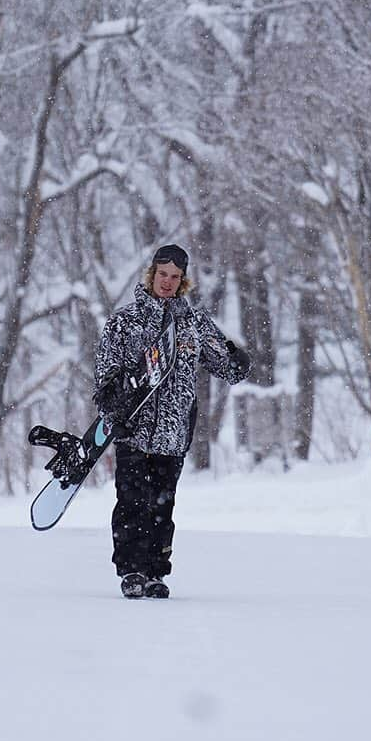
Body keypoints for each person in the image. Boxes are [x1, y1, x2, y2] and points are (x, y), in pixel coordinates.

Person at [93, 243, 251, 599]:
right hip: (132, 431)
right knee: (132, 502)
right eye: (162, 275)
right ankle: (131, 570)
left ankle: (155, 573)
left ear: (183, 281)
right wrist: (113, 403)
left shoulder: (193, 324)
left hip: (174, 433)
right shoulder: (124, 322)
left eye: (174, 277)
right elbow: (103, 376)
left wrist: (239, 361)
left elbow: (224, 365)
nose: (167, 282)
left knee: (163, 507)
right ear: (151, 275)